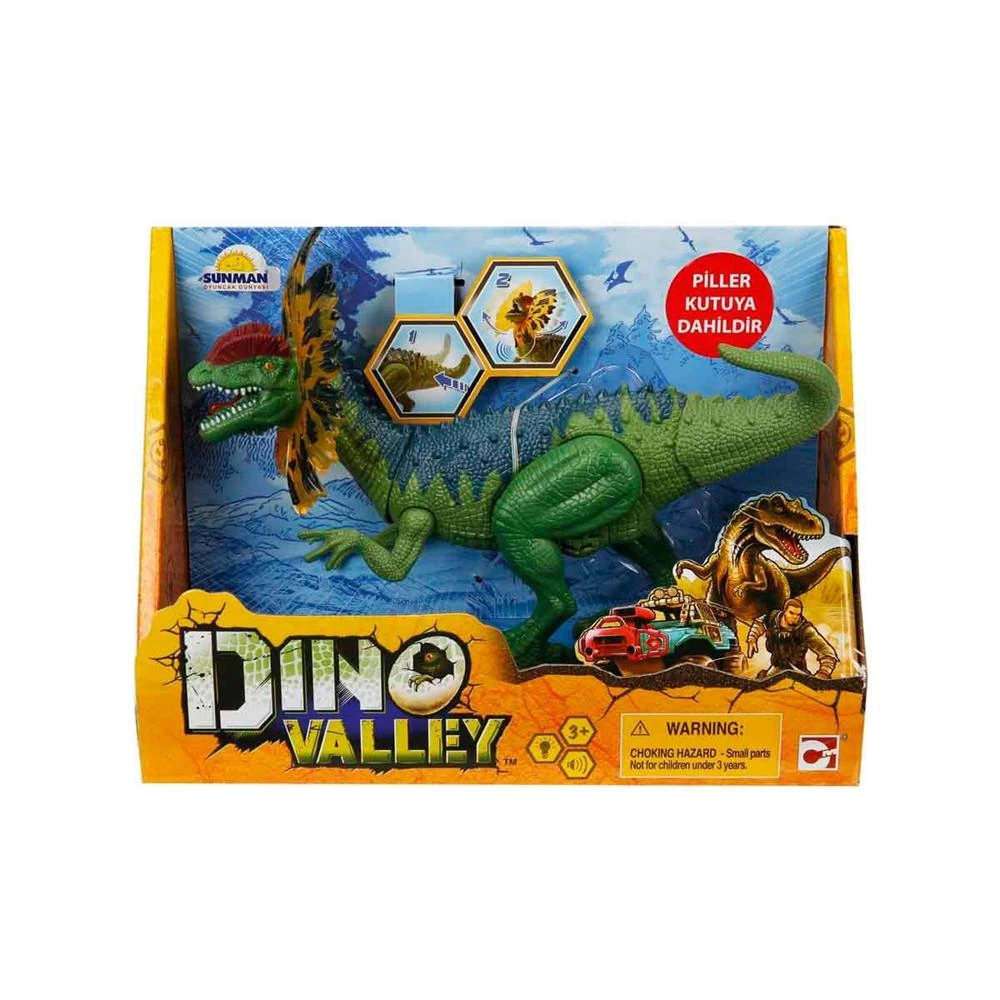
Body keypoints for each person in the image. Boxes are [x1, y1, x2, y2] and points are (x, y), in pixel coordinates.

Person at [746, 598, 838, 679]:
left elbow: (827, 652)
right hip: (777, 667)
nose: (795, 617)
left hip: (797, 670)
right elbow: (760, 623)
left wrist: (823, 673)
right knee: (762, 683)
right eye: (791, 613)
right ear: (784, 611)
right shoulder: (772, 617)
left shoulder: (805, 630)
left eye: (798, 614)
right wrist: (752, 638)